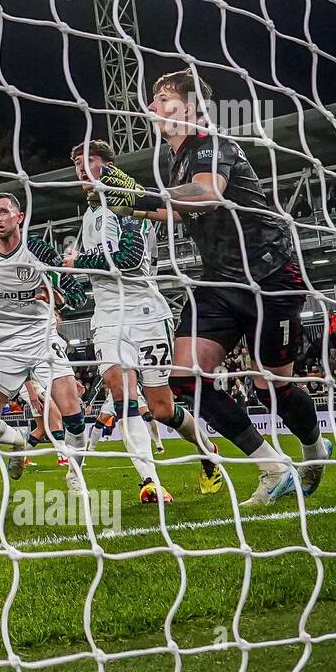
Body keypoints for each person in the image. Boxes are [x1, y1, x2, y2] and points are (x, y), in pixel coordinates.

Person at [100, 68, 327, 506]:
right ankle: (271, 466)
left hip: (269, 275)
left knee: (271, 389)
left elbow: (208, 194)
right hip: (218, 281)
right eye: (152, 99)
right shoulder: (174, 159)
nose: (153, 106)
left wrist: (145, 195)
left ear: (190, 107)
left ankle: (315, 449)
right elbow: (186, 212)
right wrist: (135, 209)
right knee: (185, 381)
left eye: (165, 98)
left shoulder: (211, 144)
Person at [67, 139, 222, 502]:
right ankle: (149, 480)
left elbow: (130, 259)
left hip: (147, 314)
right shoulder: (90, 214)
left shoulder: (128, 202)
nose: (82, 170)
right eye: (77, 165)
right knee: (121, 394)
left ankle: (208, 451)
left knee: (162, 408)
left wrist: (78, 263)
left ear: (108, 166)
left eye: (89, 162)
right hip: (107, 317)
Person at [0, 193, 89, 488]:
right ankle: (20, 443)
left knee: (72, 411)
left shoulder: (39, 251)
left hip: (41, 341)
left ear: (18, 217)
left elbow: (77, 294)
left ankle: (75, 471)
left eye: (4, 212)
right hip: (1, 347)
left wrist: (56, 298)